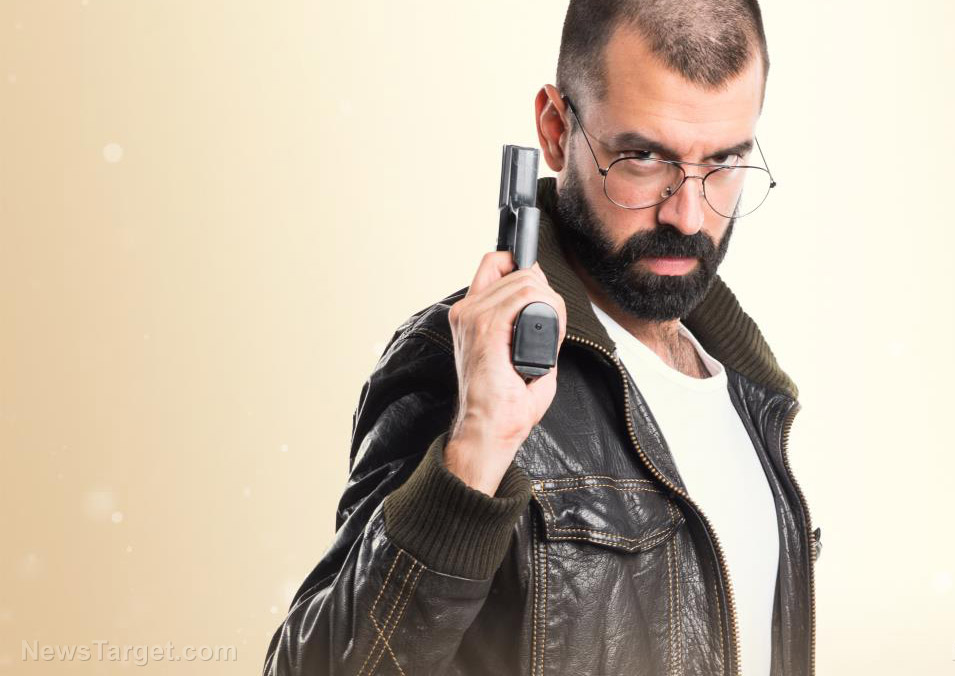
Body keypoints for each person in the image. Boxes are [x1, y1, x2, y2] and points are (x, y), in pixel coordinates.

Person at [263, 1, 819, 673]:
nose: (689, 215)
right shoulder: (464, 368)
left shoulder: (751, 392)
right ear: (556, 131)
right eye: (644, 158)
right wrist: (475, 448)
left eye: (725, 162)